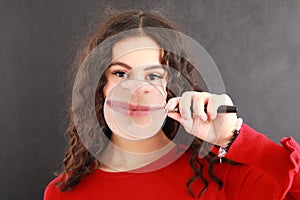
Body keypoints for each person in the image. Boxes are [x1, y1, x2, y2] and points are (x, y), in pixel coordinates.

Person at [44, 9, 300, 200]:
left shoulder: (217, 178)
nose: (136, 92)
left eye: (153, 76)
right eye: (120, 74)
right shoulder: (61, 193)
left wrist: (233, 136)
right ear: (101, 86)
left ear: (170, 89)